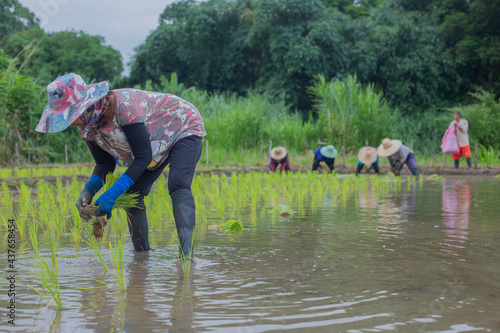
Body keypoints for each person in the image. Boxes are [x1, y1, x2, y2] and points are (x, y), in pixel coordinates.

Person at [35, 73, 206, 259]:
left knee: (178, 184)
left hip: (182, 125)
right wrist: (89, 190)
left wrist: (113, 192)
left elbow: (142, 156)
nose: (71, 122)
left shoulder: (124, 106)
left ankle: (186, 257)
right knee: (132, 194)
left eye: (70, 115)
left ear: (86, 106)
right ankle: (142, 256)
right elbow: (104, 163)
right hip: (153, 143)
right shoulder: (86, 127)